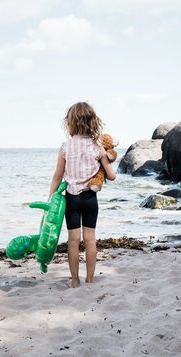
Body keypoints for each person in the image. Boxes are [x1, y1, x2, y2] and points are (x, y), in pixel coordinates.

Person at [48, 102, 116, 288]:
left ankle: (75, 280)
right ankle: (90, 279)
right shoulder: (97, 147)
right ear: (93, 122)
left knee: (73, 240)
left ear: (70, 123)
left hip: (71, 199)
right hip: (89, 199)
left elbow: (57, 177)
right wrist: (103, 164)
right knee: (90, 239)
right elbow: (111, 176)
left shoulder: (65, 147)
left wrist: (50, 201)